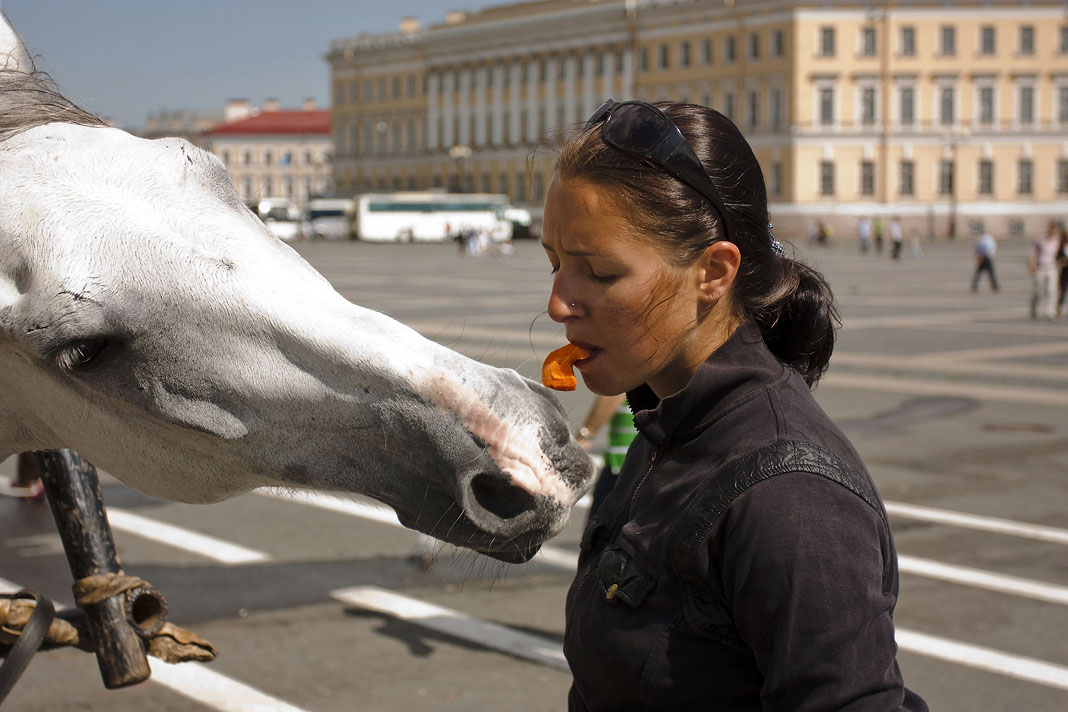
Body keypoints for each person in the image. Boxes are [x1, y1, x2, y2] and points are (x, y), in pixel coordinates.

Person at [543, 100, 927, 711]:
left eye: (597, 272)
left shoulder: (790, 493)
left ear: (713, 273)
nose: (559, 302)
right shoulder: (668, 426)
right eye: (555, 262)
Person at [573, 394, 636, 520]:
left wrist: (586, 433)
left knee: (601, 534)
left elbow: (618, 386)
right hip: (648, 459)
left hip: (625, 462)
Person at [1030, 221, 1061, 320]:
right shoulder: (1040, 240)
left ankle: (1050, 312)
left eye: (1055, 229)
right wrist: (1032, 265)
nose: (1053, 231)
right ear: (1049, 229)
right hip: (1041, 268)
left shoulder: (1057, 241)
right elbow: (1034, 253)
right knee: (1038, 291)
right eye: (1052, 229)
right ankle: (1034, 306)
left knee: (1051, 290)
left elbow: (1060, 253)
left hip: (1052, 267)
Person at [972, 226, 999, 292]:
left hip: (982, 256)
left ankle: (974, 286)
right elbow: (990, 248)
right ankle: (995, 286)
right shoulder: (990, 239)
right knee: (991, 272)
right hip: (988, 257)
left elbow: (978, 248)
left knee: (979, 272)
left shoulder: (982, 238)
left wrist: (978, 255)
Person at [1057, 224, 1068, 319]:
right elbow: (1057, 257)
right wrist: (1061, 261)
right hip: (1065, 271)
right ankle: (1058, 308)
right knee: (1063, 291)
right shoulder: (1061, 246)